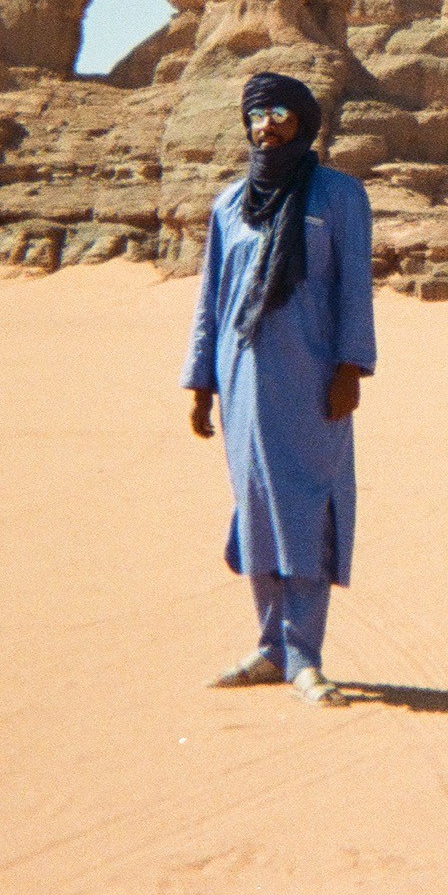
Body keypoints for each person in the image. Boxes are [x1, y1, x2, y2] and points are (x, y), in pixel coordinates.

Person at [182, 71, 375, 703]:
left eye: (281, 115)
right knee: (258, 508)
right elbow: (211, 299)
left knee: (308, 507)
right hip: (241, 380)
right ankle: (270, 647)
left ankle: (304, 656)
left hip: (313, 379)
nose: (267, 126)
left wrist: (350, 367)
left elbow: (354, 285)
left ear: (303, 124)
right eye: (258, 115)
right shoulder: (229, 204)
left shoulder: (339, 196)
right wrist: (201, 382)